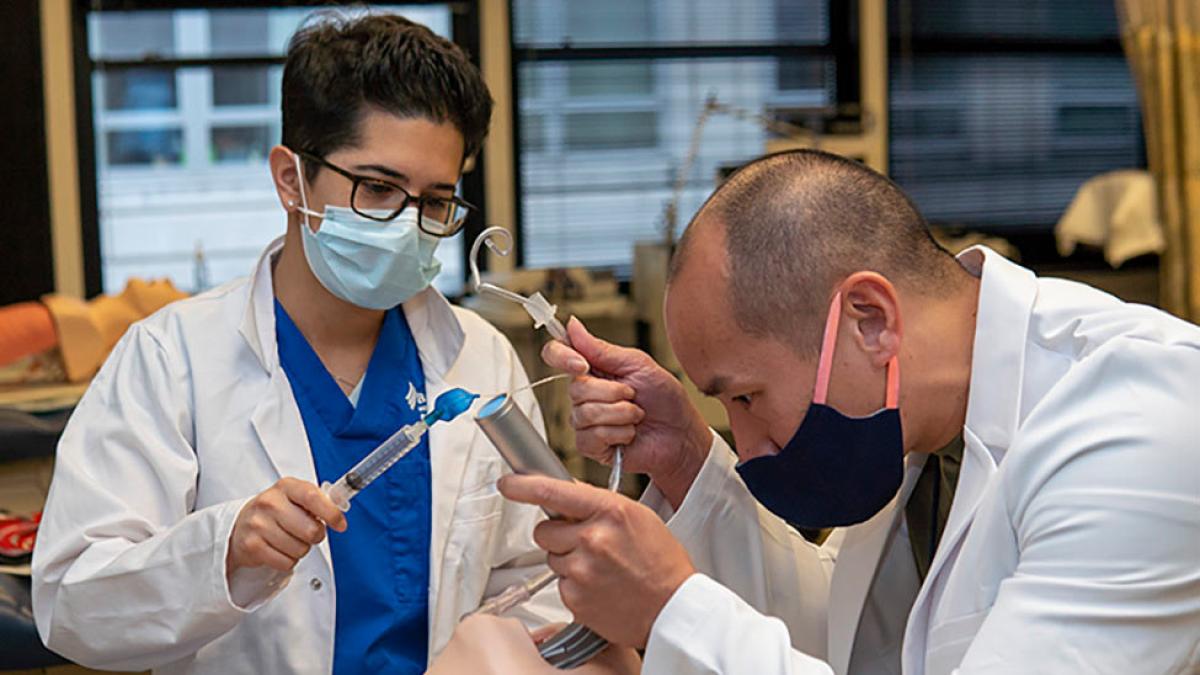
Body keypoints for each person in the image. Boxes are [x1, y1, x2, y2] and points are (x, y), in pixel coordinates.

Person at [488, 149, 1200, 673]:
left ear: (869, 319)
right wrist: (684, 458)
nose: (750, 441)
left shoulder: (1137, 422)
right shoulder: (930, 417)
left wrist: (671, 606)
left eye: (745, 396)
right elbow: (850, 636)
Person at [32, 12, 567, 674]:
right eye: (377, 188)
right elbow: (72, 605)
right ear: (291, 179)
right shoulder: (173, 358)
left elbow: (535, 576)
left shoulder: (479, 358)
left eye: (435, 201)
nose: (408, 226)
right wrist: (222, 552)